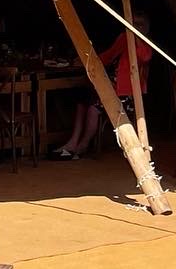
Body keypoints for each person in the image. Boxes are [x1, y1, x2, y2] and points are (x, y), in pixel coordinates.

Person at [53, 13, 152, 160]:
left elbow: (145, 57)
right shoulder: (123, 38)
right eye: (133, 24)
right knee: (82, 101)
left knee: (93, 107)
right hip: (113, 88)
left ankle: (82, 145)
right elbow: (109, 55)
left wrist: (135, 37)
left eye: (139, 25)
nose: (134, 27)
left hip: (129, 94)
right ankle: (73, 142)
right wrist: (88, 60)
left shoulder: (145, 45)